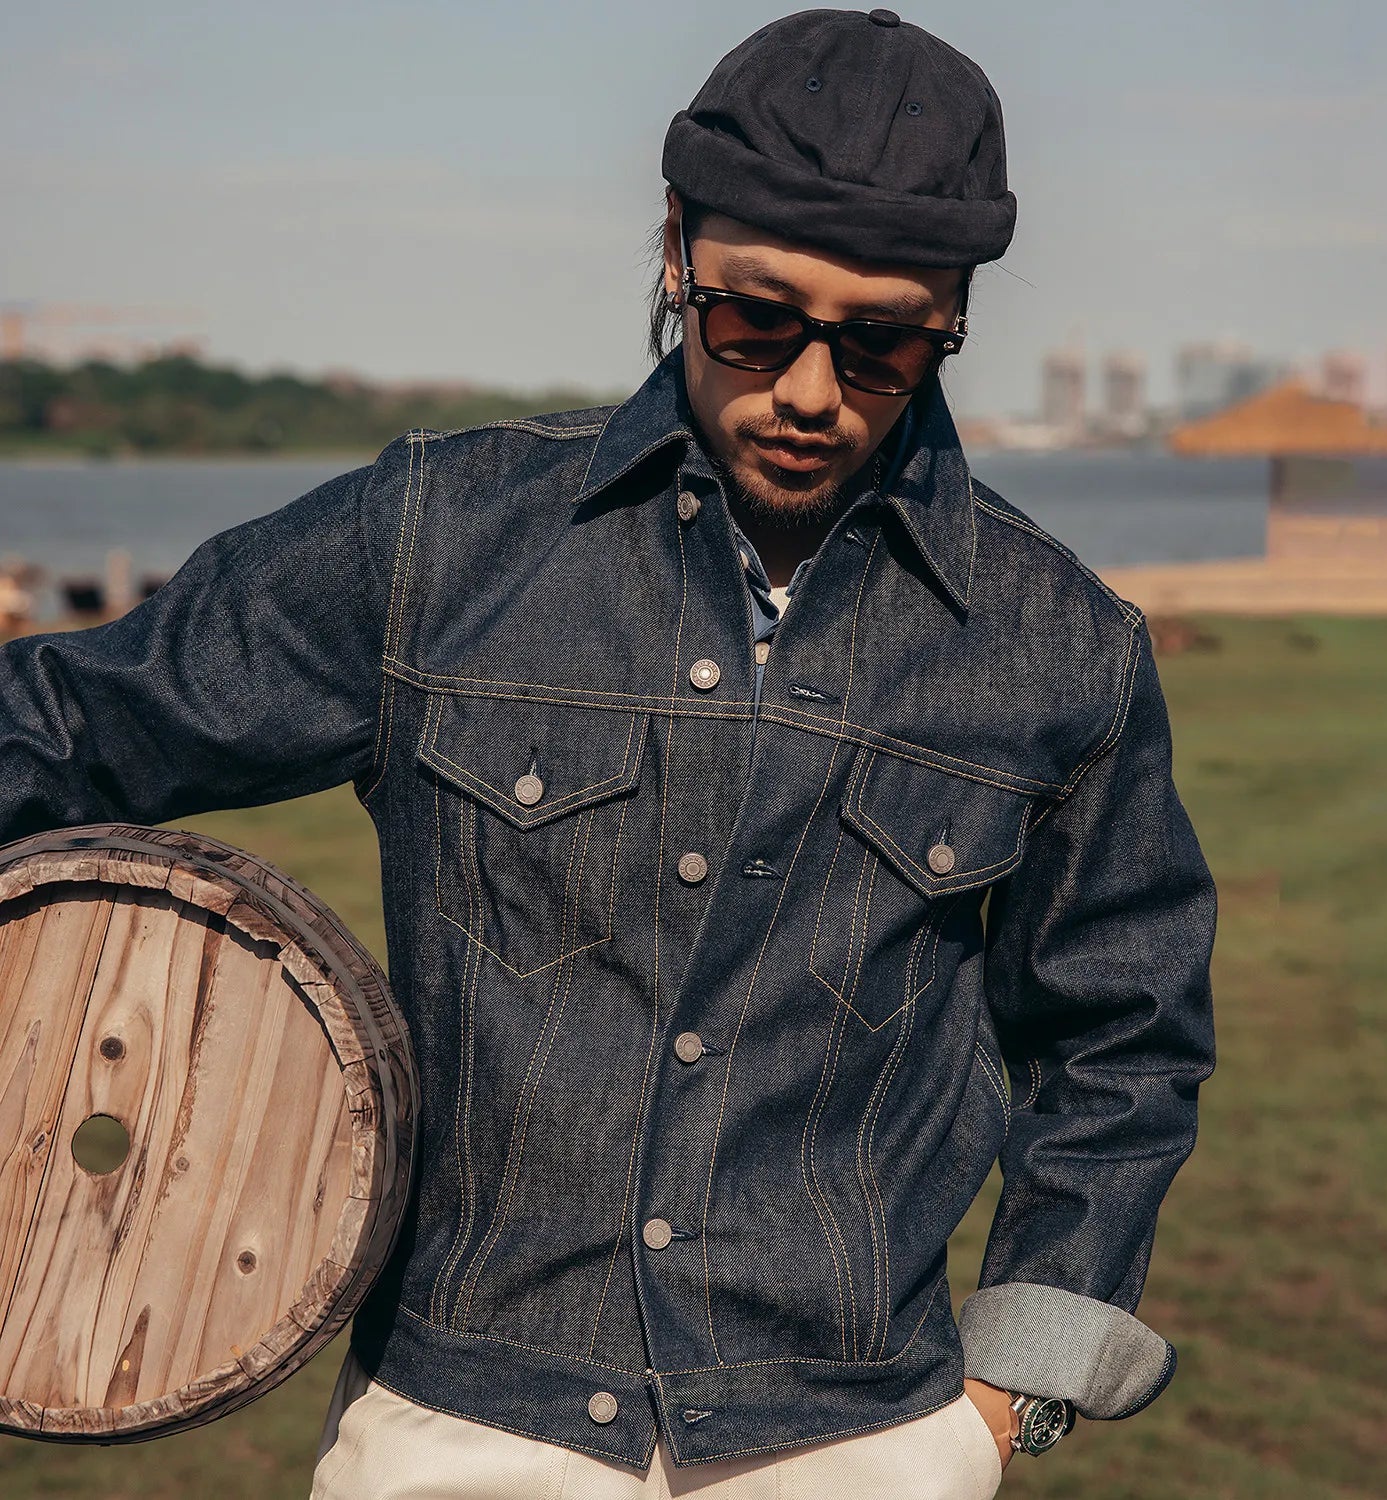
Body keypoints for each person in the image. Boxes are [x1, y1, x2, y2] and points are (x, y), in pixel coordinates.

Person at [0, 9, 1216, 1498]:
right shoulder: (440, 540)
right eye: (755, 320)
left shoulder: (1063, 645)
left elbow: (1124, 1034)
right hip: (458, 1426)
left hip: (864, 1440)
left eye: (885, 341)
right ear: (673, 249)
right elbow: (76, 725)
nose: (813, 390)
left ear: (954, 315)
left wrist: (997, 1407)